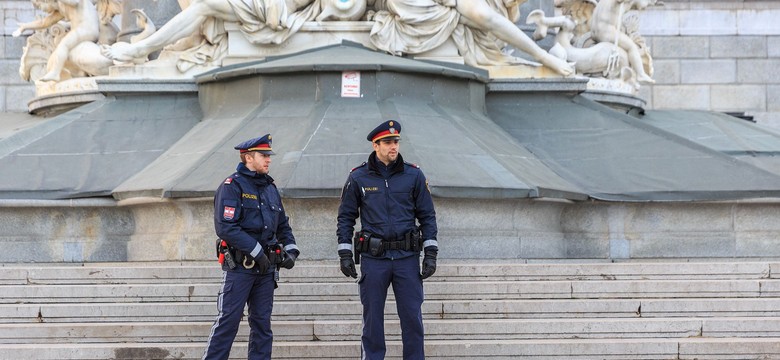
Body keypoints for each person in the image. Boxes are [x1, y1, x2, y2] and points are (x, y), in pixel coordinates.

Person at [337, 120, 439, 360]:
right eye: (388, 142)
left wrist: (431, 252)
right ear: (376, 145)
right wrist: (344, 253)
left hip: (407, 259)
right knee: (372, 321)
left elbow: (427, 216)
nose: (394, 146)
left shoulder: (413, 175)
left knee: (412, 319)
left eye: (396, 142)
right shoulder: (358, 177)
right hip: (374, 259)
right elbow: (345, 217)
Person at [204, 134, 300, 360]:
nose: (268, 160)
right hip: (240, 268)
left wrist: (292, 251)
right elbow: (226, 228)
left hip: (266, 272)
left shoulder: (270, 188)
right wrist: (257, 252)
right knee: (227, 323)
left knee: (262, 327)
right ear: (248, 157)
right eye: (264, 155)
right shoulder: (232, 186)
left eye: (269, 155)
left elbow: (283, 225)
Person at [13, 0, 100, 82]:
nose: (42, 10)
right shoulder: (61, 9)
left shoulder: (66, 3)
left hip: (87, 28)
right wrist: (25, 26)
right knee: (61, 42)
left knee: (64, 44)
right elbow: (44, 22)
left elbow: (75, 2)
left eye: (40, 6)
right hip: (82, 29)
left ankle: (55, 72)